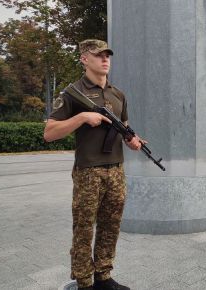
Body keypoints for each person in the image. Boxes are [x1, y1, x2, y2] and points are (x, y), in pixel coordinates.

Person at [44, 39, 143, 290]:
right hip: (88, 171)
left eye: (107, 55)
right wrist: (81, 117)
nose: (105, 59)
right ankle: (85, 282)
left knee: (111, 225)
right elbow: (50, 133)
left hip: (116, 170)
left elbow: (125, 128)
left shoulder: (118, 94)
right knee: (84, 228)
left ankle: (103, 276)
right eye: (98, 55)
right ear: (84, 59)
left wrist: (133, 140)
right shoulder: (72, 93)